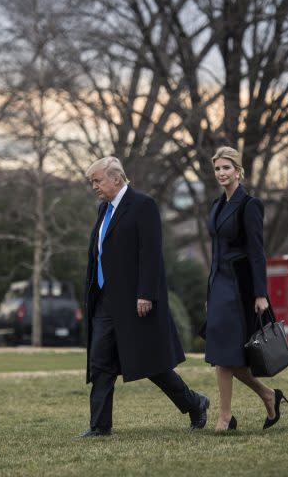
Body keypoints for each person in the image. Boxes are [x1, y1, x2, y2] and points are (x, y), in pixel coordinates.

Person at [77, 156, 210, 438]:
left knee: (151, 364)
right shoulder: (103, 210)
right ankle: (100, 426)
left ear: (116, 178)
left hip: (134, 300)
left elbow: (150, 253)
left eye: (97, 181)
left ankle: (195, 403)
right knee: (100, 361)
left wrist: (145, 293)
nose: (94, 187)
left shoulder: (143, 205)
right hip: (105, 300)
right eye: (92, 182)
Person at [205, 146, 288, 431]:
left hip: (239, 288)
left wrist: (260, 293)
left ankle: (225, 417)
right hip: (218, 285)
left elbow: (256, 252)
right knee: (223, 354)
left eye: (226, 168)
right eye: (217, 168)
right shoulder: (216, 206)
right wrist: (210, 289)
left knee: (226, 354)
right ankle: (267, 396)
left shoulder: (249, 205)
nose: (221, 173)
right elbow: (216, 250)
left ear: (238, 170)